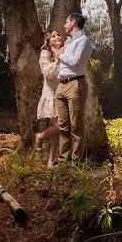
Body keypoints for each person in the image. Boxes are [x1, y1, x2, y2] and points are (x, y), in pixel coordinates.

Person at [54, 13, 93, 162]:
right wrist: (62, 51)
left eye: (66, 21)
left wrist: (60, 54)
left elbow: (76, 61)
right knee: (63, 126)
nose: (64, 25)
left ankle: (76, 162)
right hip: (61, 85)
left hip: (75, 85)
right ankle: (63, 159)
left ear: (74, 23)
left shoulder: (84, 41)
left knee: (76, 126)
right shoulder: (69, 42)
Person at [35, 30, 62, 167]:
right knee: (59, 126)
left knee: (55, 130)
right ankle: (39, 137)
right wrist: (57, 62)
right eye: (53, 36)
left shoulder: (64, 52)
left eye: (58, 35)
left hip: (63, 93)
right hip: (51, 93)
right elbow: (47, 73)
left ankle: (50, 161)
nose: (57, 37)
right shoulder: (45, 53)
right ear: (48, 41)